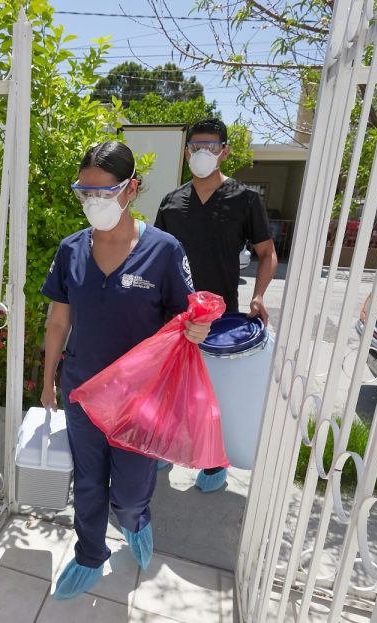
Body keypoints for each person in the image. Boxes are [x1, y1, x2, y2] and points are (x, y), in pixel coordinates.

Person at [40, 141, 212, 600]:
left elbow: (186, 318)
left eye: (105, 192)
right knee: (90, 481)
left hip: (142, 400)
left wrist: (197, 329)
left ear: (131, 189)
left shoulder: (164, 250)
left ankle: (136, 519)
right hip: (83, 389)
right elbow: (59, 321)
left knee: (131, 491)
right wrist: (46, 384)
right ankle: (89, 554)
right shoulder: (70, 249)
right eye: (85, 193)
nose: (94, 202)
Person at [154, 118, 278, 493]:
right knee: (170, 390)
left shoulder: (244, 199)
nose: (201, 153)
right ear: (186, 150)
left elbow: (267, 253)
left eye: (210, 146)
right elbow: (157, 257)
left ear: (224, 151)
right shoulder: (172, 202)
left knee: (213, 396)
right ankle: (164, 449)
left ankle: (213, 462)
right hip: (175, 316)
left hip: (220, 321)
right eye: (195, 146)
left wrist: (258, 295)